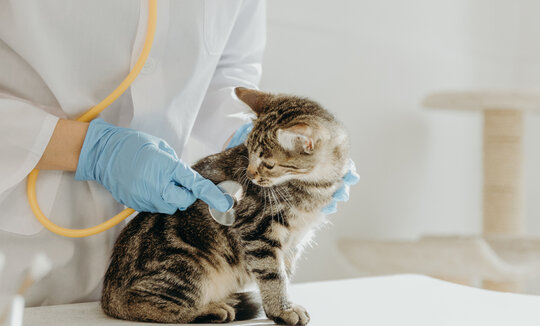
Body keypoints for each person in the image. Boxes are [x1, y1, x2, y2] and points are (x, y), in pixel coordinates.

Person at [0, 1, 355, 306]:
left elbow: (228, 73)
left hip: (169, 264)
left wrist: (246, 139)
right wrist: (92, 150)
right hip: (19, 252)